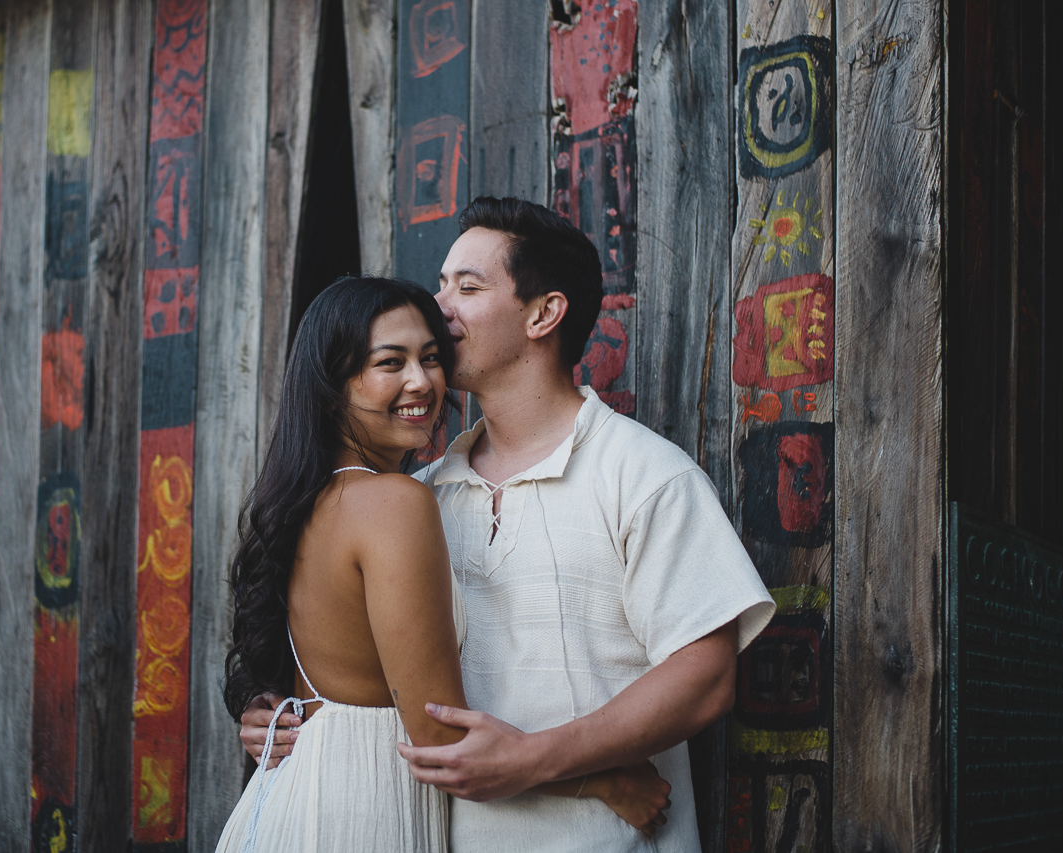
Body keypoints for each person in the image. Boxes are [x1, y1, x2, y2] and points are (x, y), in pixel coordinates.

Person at [242, 199, 777, 853]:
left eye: (467, 287)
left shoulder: (643, 474)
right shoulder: (420, 490)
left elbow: (707, 674)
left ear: (543, 313)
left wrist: (540, 758)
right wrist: (277, 709)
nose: (441, 308)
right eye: (440, 285)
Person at [217, 276, 673, 853]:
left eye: (431, 358)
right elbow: (436, 732)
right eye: (391, 362)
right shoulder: (395, 502)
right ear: (331, 387)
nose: (422, 381)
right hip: (359, 816)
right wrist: (603, 780)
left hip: (288, 806)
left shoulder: (312, 503)